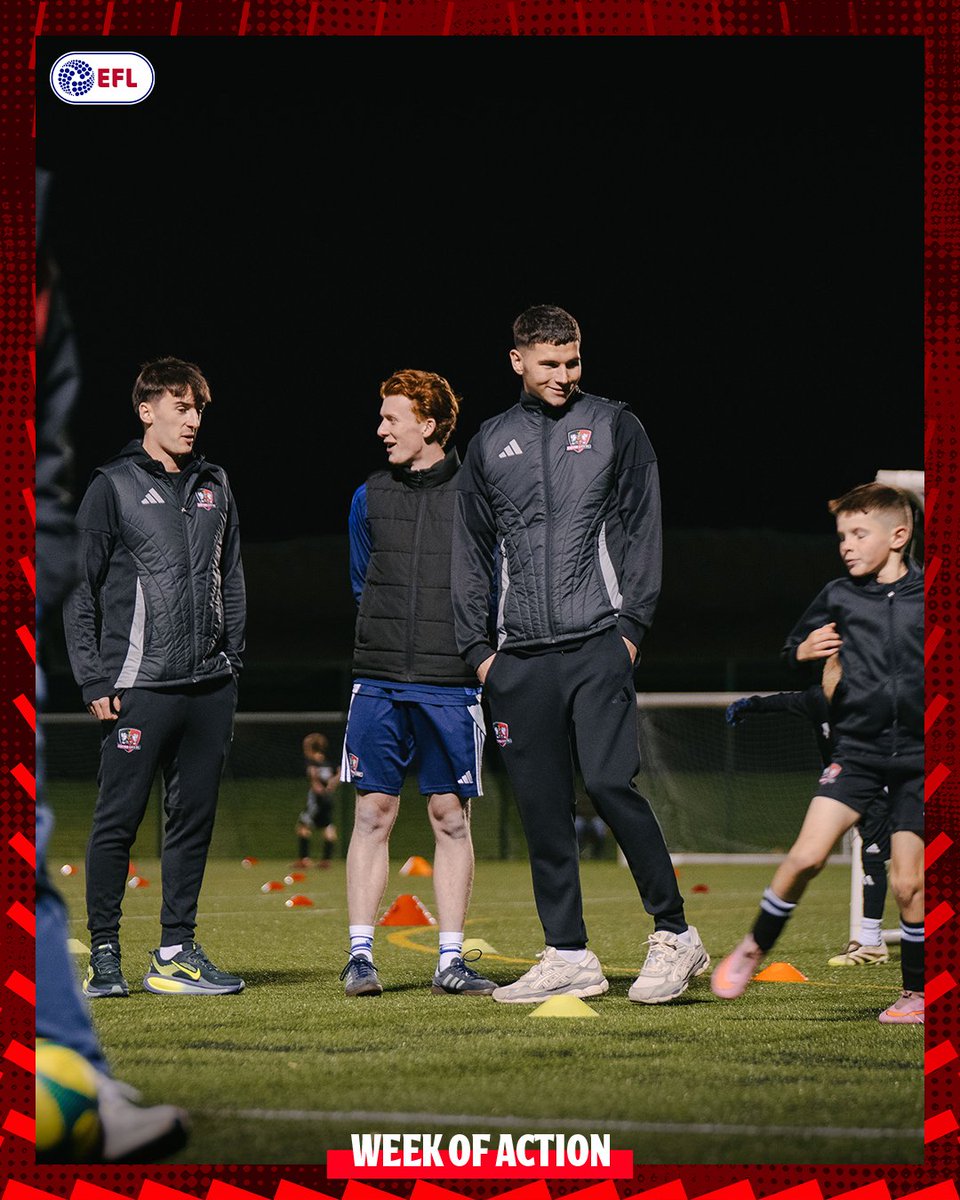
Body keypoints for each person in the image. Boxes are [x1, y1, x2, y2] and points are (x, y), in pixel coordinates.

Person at [451, 303, 709, 1005]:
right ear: (518, 362)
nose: (564, 375)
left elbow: (640, 527)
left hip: (598, 640)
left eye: (573, 362)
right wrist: (479, 652)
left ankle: (676, 934)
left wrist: (630, 629)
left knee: (608, 784)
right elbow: (471, 553)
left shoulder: (616, 426)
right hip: (518, 658)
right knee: (540, 806)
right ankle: (568, 953)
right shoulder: (488, 443)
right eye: (550, 364)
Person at [35, 166, 188, 1159]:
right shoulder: (120, 488)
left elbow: (44, 416)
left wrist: (33, 557)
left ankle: (69, 1059)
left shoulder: (31, 248)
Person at [62, 357, 246, 998]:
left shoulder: (215, 484)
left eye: (198, 409)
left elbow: (233, 577)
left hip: (208, 689)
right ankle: (105, 956)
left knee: (191, 822)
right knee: (117, 821)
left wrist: (233, 663)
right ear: (147, 411)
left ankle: (175, 953)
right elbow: (78, 589)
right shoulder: (110, 486)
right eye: (181, 407)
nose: (193, 419)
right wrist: (92, 679)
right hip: (138, 687)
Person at [711, 482, 923, 1024]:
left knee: (908, 883)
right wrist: (801, 650)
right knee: (805, 857)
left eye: (859, 533)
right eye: (842, 536)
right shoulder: (838, 595)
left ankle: (917, 994)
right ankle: (754, 946)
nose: (846, 545)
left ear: (899, 535)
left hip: (922, 759)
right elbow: (792, 649)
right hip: (856, 753)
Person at [338, 369, 497, 999]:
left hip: (451, 682)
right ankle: (359, 956)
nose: (380, 429)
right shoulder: (368, 495)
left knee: (449, 817)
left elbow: (492, 583)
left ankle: (450, 962)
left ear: (428, 424)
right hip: (378, 679)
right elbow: (360, 581)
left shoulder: (476, 496)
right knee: (372, 813)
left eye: (391, 418)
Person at [725, 656, 893, 966]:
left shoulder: (879, 703)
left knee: (893, 864)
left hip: (885, 783)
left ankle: (875, 942)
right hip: (844, 788)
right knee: (854, 855)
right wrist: (750, 704)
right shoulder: (816, 699)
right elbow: (784, 701)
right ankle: (871, 941)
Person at [292, 731, 339, 868]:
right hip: (328, 799)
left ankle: (304, 859)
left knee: (302, 826)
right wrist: (331, 785)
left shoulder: (311, 762)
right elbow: (339, 774)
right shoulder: (327, 763)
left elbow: (313, 776)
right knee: (328, 827)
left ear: (310, 748)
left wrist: (317, 786)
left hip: (316, 799)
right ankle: (326, 860)